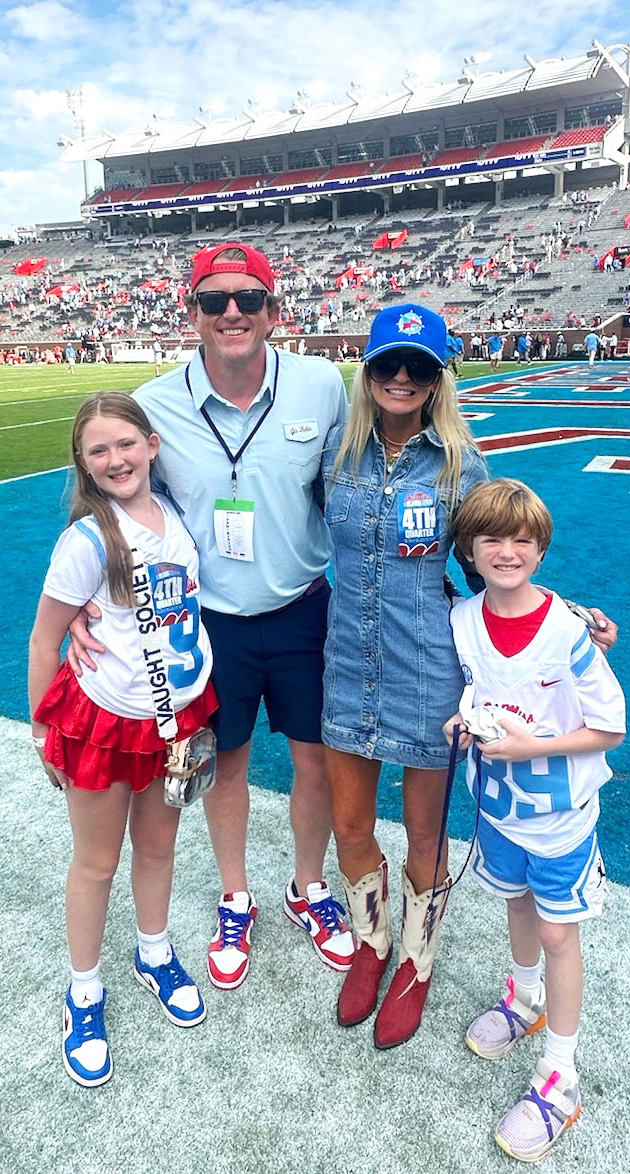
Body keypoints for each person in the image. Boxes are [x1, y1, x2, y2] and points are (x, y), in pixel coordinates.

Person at [68, 244, 355, 992]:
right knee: (221, 764)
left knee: (313, 760)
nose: (233, 311)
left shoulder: (323, 383)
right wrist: (79, 605)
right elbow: (114, 499)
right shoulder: (155, 402)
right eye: (215, 299)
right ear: (189, 313)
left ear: (275, 310)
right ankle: (236, 895)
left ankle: (306, 887)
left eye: (249, 298)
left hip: (302, 606)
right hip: (207, 621)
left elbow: (349, 487)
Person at [28, 393, 217, 1088]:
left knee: (160, 846)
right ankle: (83, 991)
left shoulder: (175, 516)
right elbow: (46, 636)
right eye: (98, 450)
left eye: (125, 444)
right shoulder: (85, 538)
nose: (115, 459)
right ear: (82, 463)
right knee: (97, 862)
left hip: (175, 718)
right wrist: (44, 729)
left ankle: (153, 950)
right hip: (106, 719)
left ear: (152, 444)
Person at [322, 305, 489, 1049]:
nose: (400, 378)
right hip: (345, 662)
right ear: (367, 371)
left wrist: (560, 617)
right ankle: (372, 941)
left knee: (424, 831)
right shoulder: (335, 453)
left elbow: (494, 565)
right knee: (351, 824)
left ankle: (417, 960)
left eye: (417, 367)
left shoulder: (460, 465)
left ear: (436, 377)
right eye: (387, 363)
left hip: (427, 669)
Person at [444, 479, 625, 1163]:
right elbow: (480, 689)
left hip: (558, 814)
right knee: (516, 905)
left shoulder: (566, 632)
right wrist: (464, 721)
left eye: (521, 540)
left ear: (540, 549)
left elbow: (609, 728)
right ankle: (522, 1001)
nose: (507, 550)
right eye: (491, 538)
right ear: (469, 547)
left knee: (556, 930)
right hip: (495, 805)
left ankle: (560, 1077)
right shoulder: (463, 619)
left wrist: (529, 748)